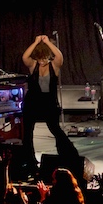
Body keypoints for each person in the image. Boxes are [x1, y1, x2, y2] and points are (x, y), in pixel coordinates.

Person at [21, 34, 81, 177]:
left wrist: (48, 42)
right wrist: (36, 42)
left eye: (45, 58)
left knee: (56, 130)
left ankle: (69, 156)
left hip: (49, 103)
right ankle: (30, 162)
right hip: (32, 102)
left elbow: (59, 56)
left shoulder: (55, 65)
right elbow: (25, 57)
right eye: (40, 58)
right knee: (27, 133)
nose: (42, 62)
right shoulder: (33, 64)